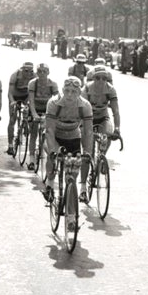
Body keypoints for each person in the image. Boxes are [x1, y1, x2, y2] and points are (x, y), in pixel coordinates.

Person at [41, 72, 94, 217]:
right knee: (52, 157)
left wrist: (87, 152)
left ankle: (71, 210)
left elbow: (88, 132)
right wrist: (54, 150)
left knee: (72, 175)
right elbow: (49, 130)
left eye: (74, 92)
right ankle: (50, 184)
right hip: (55, 136)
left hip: (73, 138)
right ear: (62, 91)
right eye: (67, 91)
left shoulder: (85, 106)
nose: (70, 95)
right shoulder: (53, 103)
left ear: (79, 92)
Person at [25, 56, 58, 172]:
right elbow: (31, 101)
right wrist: (34, 114)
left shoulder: (53, 84)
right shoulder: (32, 83)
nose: (42, 73)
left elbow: (56, 101)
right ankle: (32, 159)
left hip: (48, 110)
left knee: (51, 132)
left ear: (48, 72)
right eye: (39, 71)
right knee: (33, 132)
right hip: (36, 108)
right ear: (36, 73)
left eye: (44, 71)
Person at [7, 53, 36, 156]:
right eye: (25, 71)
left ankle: (26, 123)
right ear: (22, 69)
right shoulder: (15, 75)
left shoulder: (34, 76)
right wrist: (12, 102)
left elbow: (34, 94)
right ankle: (10, 145)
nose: (28, 73)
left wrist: (29, 102)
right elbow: (9, 92)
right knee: (12, 120)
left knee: (30, 109)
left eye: (30, 71)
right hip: (15, 96)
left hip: (26, 96)